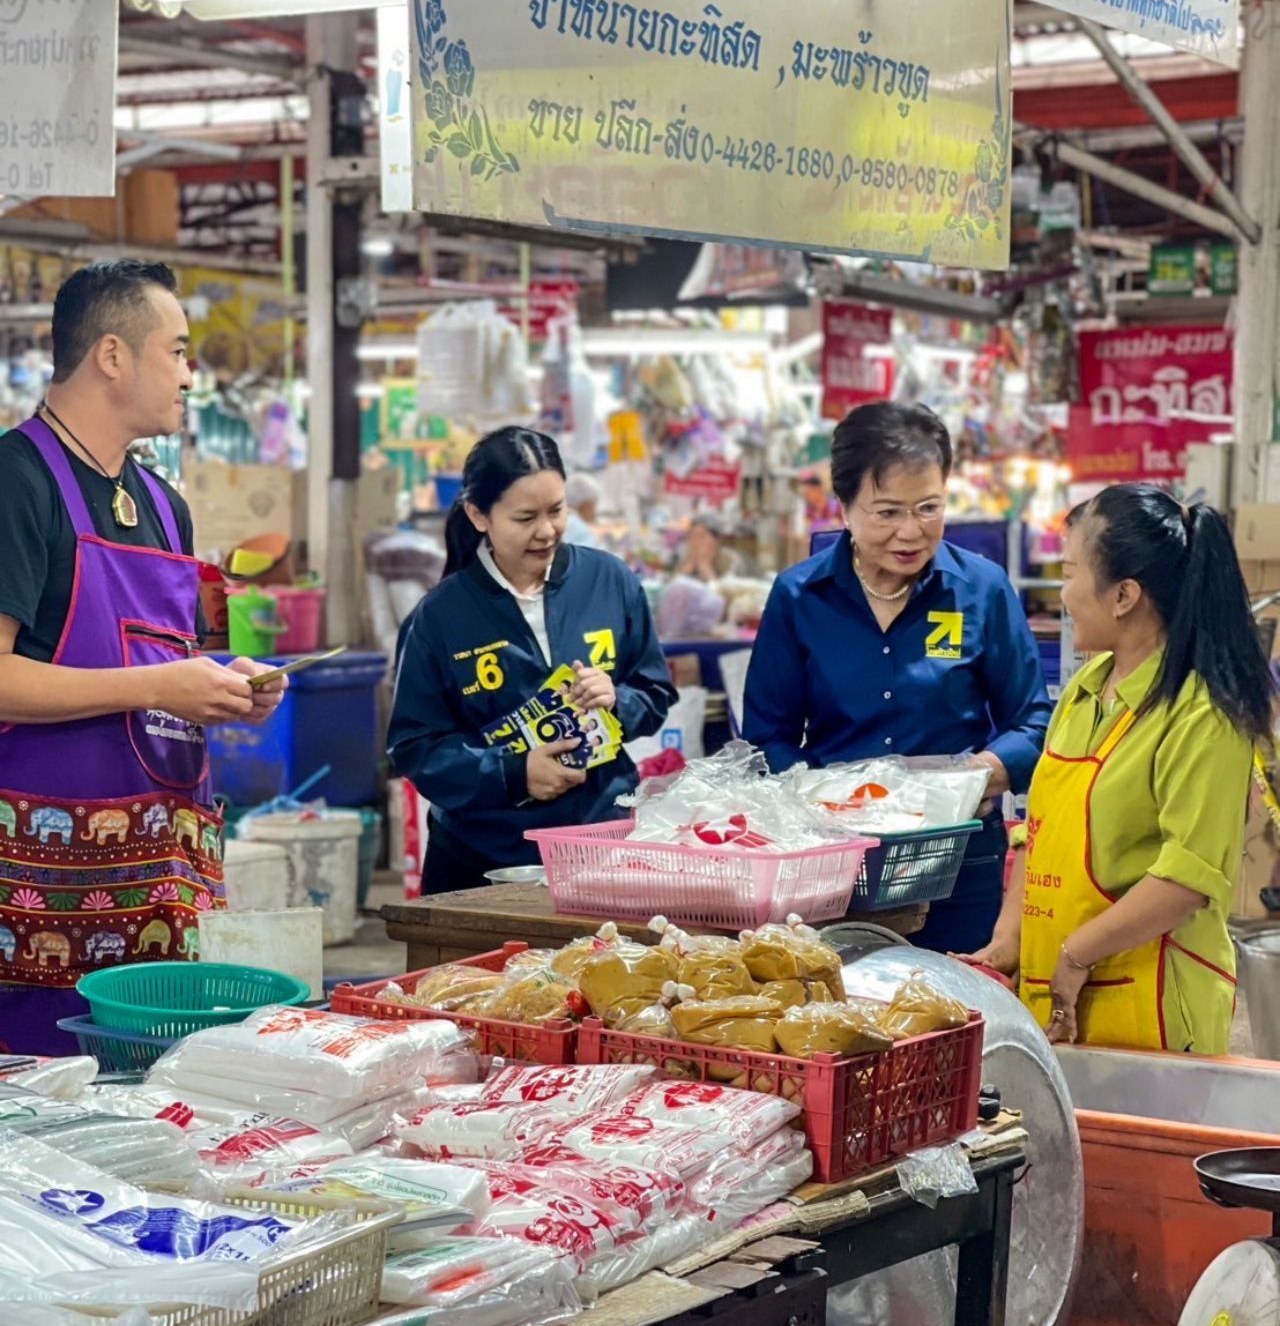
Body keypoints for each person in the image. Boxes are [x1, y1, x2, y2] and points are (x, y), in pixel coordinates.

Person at [0, 260, 285, 1056]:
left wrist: (228, 686)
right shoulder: (16, 482)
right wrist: (161, 683)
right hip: (39, 895)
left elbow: (177, 657)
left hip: (163, 875)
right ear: (113, 356)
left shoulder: (164, 505)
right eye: (180, 352)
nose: (192, 376)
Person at [964, 485, 1274, 1055]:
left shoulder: (1201, 712)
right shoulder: (1085, 687)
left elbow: (1186, 879)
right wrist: (1008, 940)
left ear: (1124, 594)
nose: (1064, 592)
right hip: (1054, 988)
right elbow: (1040, 833)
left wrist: (1077, 952)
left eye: (1071, 572)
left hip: (1151, 999)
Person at [743, 401, 1051, 953]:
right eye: (886, 513)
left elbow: (1034, 718)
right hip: (835, 866)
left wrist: (985, 771)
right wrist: (821, 798)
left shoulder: (981, 589)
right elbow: (768, 736)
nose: (911, 532)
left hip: (959, 861)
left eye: (928, 508)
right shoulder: (799, 597)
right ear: (843, 508)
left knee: (959, 1015)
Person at [389, 426, 677, 894]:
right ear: (478, 515)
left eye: (556, 511)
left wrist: (617, 700)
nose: (546, 531)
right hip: (482, 862)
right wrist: (514, 773)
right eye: (525, 517)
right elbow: (416, 749)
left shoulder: (609, 580)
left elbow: (654, 691)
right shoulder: (438, 618)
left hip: (600, 845)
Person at [562, 472, 600, 547]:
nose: (595, 512)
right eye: (594, 504)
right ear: (586, 504)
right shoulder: (580, 529)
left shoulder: (564, 521)